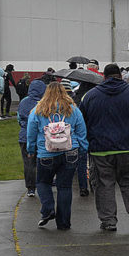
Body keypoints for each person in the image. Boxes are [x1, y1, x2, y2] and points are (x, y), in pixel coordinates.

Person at [79, 64, 129, 232]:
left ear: (104, 77)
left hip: (100, 149)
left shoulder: (89, 96)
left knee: (103, 185)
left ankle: (109, 221)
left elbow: (82, 122)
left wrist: (84, 142)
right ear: (121, 76)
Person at [26, 81, 88, 230]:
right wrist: (82, 148)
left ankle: (48, 209)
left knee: (42, 182)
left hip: (46, 152)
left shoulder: (38, 110)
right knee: (65, 187)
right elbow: (81, 130)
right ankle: (64, 222)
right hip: (70, 151)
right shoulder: (72, 109)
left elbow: (31, 132)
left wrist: (31, 149)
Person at [17, 78, 46, 197]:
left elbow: (19, 118)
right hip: (41, 137)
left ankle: (30, 187)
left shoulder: (23, 101)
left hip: (25, 136)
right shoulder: (44, 103)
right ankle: (44, 182)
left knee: (28, 162)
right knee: (43, 161)